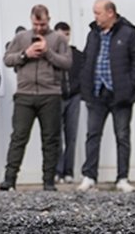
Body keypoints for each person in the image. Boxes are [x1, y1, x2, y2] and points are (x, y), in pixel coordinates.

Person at [76, 0, 135, 193]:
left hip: (121, 95)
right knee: (92, 135)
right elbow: (86, 60)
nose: (95, 17)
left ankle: (122, 178)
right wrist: (86, 84)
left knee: (122, 136)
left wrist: (130, 85)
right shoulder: (93, 34)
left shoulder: (130, 33)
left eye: (97, 12)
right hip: (97, 94)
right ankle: (89, 177)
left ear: (110, 13)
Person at [0, 5, 72, 191]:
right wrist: (26, 54)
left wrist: (47, 51)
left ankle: (49, 181)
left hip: (50, 94)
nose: (39, 28)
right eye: (36, 24)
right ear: (31, 20)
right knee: (19, 137)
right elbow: (7, 59)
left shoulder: (58, 38)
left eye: (43, 24)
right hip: (25, 94)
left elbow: (67, 63)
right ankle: (9, 179)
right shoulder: (21, 38)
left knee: (50, 139)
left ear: (49, 19)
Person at [53, 21, 84, 184]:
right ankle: (57, 171)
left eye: (66, 34)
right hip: (56, 97)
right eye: (60, 35)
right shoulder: (51, 55)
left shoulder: (77, 54)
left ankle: (69, 171)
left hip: (74, 98)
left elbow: (83, 74)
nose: (64, 38)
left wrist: (78, 89)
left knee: (71, 135)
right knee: (57, 136)